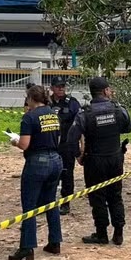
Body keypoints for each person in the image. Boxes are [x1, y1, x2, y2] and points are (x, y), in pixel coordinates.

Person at [67, 76, 131, 246]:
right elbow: (128, 128)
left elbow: (71, 138)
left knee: (97, 197)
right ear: (105, 91)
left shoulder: (85, 113)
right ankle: (118, 233)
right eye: (109, 89)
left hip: (94, 161)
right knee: (115, 195)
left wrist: (78, 156)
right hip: (115, 158)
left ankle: (101, 233)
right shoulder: (118, 110)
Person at [7, 85, 64, 260]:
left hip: (37, 162)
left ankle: (27, 247)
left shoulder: (29, 117)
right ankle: (54, 242)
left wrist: (15, 141)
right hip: (56, 159)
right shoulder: (53, 114)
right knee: (51, 202)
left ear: (31, 98)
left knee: (29, 205)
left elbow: (24, 144)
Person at [48, 75, 82, 215]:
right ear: (52, 88)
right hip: (50, 144)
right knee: (50, 174)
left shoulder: (72, 103)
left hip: (67, 144)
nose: (61, 88)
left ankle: (65, 202)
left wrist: (80, 146)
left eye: (63, 86)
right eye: (58, 86)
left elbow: (80, 125)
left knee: (67, 174)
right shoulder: (47, 102)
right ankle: (47, 202)